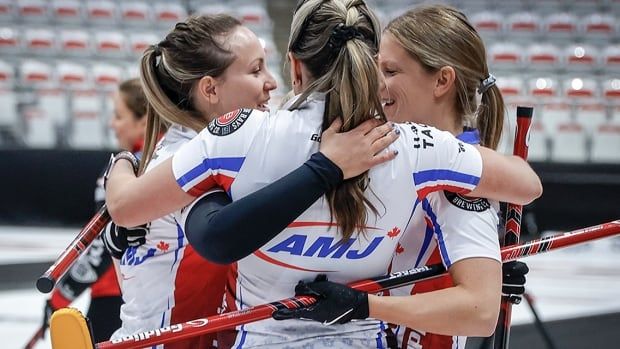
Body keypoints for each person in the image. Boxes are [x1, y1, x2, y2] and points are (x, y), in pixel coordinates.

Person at [104, 0, 542, 348]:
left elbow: (125, 208)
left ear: (294, 66)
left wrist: (123, 162)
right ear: (369, 66)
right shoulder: (417, 144)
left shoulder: (241, 132)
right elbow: (527, 183)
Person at [378, 5, 530, 348]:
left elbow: (478, 311)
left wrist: (362, 307)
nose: (377, 83)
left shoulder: (456, 175)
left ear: (442, 81)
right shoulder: (413, 151)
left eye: (389, 70)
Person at [42, 78, 149, 343]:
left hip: (116, 296)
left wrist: (62, 295)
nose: (112, 123)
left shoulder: (121, 170)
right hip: (147, 293)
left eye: (118, 115)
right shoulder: (166, 160)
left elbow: (102, 245)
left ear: (143, 121)